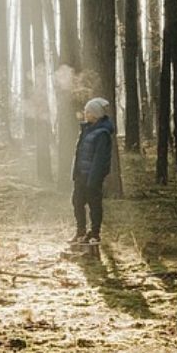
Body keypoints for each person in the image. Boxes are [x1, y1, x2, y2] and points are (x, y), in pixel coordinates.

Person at [71, 98, 115, 245]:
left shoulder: (102, 134)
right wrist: (76, 173)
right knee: (77, 202)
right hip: (81, 176)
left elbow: (99, 159)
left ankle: (95, 234)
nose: (85, 113)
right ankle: (81, 232)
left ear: (95, 114)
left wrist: (93, 180)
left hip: (92, 177)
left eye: (88, 111)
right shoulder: (86, 130)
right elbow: (79, 153)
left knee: (94, 205)